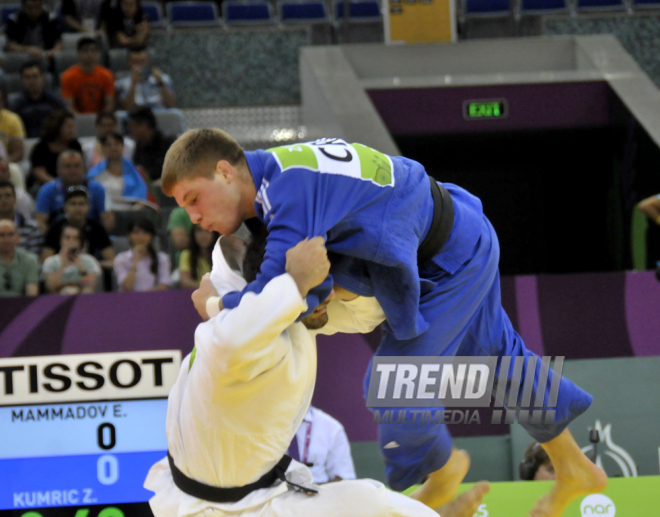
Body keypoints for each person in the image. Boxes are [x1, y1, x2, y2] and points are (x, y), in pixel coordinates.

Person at [162, 131, 607, 517]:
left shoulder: (288, 191)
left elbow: (276, 290)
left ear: (224, 171)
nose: (193, 217)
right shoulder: (277, 175)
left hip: (449, 255)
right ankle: (573, 467)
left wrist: (218, 304)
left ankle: (444, 468)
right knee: (498, 356)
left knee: (395, 385)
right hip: (447, 230)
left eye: (193, 199)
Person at [144, 234, 489, 517]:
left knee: (372, 502)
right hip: (214, 509)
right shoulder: (236, 339)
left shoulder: (286, 310)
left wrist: (329, 285)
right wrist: (218, 305)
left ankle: (427, 506)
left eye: (328, 284)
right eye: (313, 289)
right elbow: (231, 332)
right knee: (373, 502)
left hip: (256, 488)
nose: (326, 297)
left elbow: (359, 317)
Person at [34, 149, 106, 233]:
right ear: (58, 169)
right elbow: (40, 221)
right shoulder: (47, 190)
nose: (72, 171)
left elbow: (107, 219)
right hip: (58, 239)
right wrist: (53, 240)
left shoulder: (97, 188)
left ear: (84, 168)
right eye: (67, 166)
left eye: (77, 166)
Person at [41, 186, 113, 269]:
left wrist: (90, 266)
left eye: (81, 204)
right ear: (65, 207)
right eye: (73, 204)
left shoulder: (96, 228)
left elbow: (110, 260)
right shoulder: (56, 228)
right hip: (60, 270)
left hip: (89, 272)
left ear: (89, 207)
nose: (77, 208)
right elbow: (45, 260)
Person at [289, 406, 356, 484]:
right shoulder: (271, 422)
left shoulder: (331, 427)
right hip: (273, 493)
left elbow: (344, 479)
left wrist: (316, 490)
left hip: (314, 493)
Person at [9, 61, 67, 139]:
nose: (32, 81)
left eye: (35, 76)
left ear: (42, 78)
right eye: (27, 77)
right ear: (22, 80)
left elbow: (65, 125)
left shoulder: (56, 101)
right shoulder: (16, 105)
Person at [28, 110, 83, 191]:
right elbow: (39, 173)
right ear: (57, 127)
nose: (72, 130)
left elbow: (80, 167)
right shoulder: (41, 147)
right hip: (45, 185)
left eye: (73, 127)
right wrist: (58, 185)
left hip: (71, 183)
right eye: (69, 127)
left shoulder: (75, 145)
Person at [60, 37, 115, 115]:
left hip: (101, 120)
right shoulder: (68, 76)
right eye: (85, 50)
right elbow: (69, 107)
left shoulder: (107, 75)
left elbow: (109, 104)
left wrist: (100, 120)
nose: (89, 54)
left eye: (93, 50)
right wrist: (83, 120)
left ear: (97, 53)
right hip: (77, 120)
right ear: (78, 53)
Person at [113, 217, 170, 291]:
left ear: (151, 236)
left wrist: (143, 296)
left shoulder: (162, 258)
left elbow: (165, 286)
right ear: (129, 236)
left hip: (155, 299)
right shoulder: (121, 259)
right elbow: (127, 287)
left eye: (145, 233)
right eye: (136, 233)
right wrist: (135, 261)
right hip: (129, 301)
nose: (141, 237)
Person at [42, 222, 101, 294]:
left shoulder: (89, 261)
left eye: (75, 238)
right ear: (61, 240)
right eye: (67, 238)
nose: (71, 242)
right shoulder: (51, 262)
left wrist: (81, 268)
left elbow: (90, 286)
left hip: (83, 299)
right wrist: (63, 264)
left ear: (80, 242)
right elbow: (52, 287)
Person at [116, 45, 176, 111]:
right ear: (129, 62)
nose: (140, 66)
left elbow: (171, 105)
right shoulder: (122, 83)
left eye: (142, 61)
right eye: (136, 62)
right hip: (135, 115)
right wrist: (133, 83)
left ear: (148, 61)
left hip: (159, 113)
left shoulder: (163, 78)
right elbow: (126, 108)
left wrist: (160, 82)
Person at [129, 106, 175, 185]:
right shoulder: (140, 145)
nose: (131, 130)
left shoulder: (168, 143)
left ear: (145, 125)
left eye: (133, 126)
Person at [0, 181, 42, 256]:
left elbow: (34, 257)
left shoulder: (31, 227)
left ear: (15, 198)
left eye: (7, 196)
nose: (3, 200)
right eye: (0, 196)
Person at [0, 219, 39, 296]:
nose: (6, 240)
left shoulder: (30, 260)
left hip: (22, 306)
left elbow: (31, 294)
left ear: (18, 237)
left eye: (10, 234)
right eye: (1, 235)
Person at [178, 224, 218, 289]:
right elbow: (185, 282)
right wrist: (209, 288)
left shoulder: (222, 255)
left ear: (214, 234)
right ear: (193, 233)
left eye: (207, 230)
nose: (203, 235)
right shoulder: (186, 255)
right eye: (199, 230)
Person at [0, 154, 34, 220]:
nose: (0, 174)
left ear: (9, 174)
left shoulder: (22, 198)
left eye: (3, 171)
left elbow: (27, 223)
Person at [0, 92, 26, 164]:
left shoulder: (12, 119)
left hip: (5, 163)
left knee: (14, 169)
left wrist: (4, 163)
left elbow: (19, 153)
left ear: (2, 104)